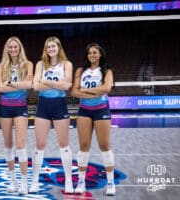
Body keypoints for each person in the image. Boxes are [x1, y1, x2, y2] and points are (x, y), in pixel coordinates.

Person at [29, 36, 74, 193]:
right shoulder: (40, 64)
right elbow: (35, 86)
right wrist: (57, 84)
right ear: (45, 49)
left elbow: (67, 85)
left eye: (53, 46)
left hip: (59, 105)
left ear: (59, 47)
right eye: (48, 47)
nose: (51, 49)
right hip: (43, 106)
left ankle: (69, 181)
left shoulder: (67, 64)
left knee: (64, 144)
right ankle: (34, 181)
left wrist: (46, 82)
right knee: (40, 144)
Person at [70, 43, 115, 196]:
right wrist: (95, 92)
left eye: (95, 53)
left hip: (101, 109)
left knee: (104, 145)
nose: (92, 55)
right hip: (84, 110)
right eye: (90, 53)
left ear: (100, 54)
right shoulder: (80, 71)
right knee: (83, 145)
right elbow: (74, 92)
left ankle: (110, 182)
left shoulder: (107, 71)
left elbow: (106, 88)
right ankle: (81, 181)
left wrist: (86, 90)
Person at [0, 36, 33, 195]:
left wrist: (9, 84)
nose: (13, 49)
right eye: (10, 47)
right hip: (4, 108)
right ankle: (13, 181)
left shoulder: (27, 64)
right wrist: (18, 85)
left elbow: (29, 85)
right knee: (8, 145)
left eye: (15, 47)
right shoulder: (1, 66)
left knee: (20, 145)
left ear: (20, 48)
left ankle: (24, 182)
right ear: (7, 49)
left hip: (20, 108)